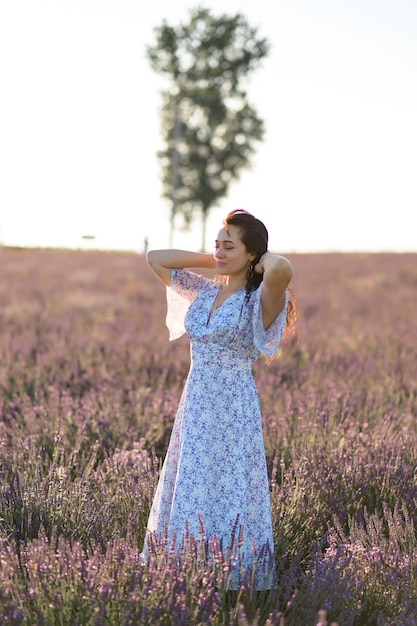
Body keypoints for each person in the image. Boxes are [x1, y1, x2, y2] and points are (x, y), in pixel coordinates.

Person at [141, 209, 296, 589]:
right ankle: (185, 572)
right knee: (192, 483)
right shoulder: (205, 289)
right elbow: (156, 258)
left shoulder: (260, 297)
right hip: (196, 404)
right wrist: (216, 259)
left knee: (227, 485)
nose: (220, 251)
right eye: (217, 243)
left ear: (252, 254)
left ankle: (233, 578)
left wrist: (257, 261)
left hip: (232, 406)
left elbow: (282, 267)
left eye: (229, 245)